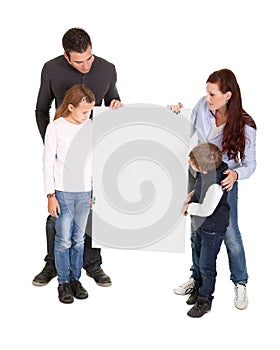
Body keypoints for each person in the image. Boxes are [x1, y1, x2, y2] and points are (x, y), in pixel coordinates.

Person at [34, 27, 122, 287]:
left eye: (89, 58)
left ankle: (92, 265)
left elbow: (112, 98)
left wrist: (115, 102)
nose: (86, 65)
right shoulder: (51, 69)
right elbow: (41, 109)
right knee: (58, 217)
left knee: (90, 212)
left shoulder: (107, 68)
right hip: (63, 157)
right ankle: (53, 264)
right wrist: (53, 145)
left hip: (92, 155)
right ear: (66, 56)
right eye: (78, 61)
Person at [169, 69, 256, 310]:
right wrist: (175, 116)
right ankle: (197, 278)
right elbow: (184, 132)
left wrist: (237, 174)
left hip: (222, 180)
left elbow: (250, 164)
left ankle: (240, 282)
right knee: (197, 228)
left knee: (230, 234)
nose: (207, 98)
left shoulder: (246, 125)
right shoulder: (202, 106)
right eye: (206, 93)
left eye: (212, 94)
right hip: (197, 173)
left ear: (228, 95)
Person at [44, 83, 95, 303]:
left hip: (85, 192)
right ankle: (63, 282)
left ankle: (76, 278)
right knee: (63, 240)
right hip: (63, 192)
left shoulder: (90, 127)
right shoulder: (56, 127)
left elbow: (93, 161)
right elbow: (47, 163)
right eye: (84, 111)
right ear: (71, 106)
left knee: (79, 239)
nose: (87, 115)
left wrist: (94, 190)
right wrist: (50, 195)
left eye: (90, 111)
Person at [182, 142, 230, 317]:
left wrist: (188, 208)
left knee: (206, 265)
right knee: (197, 257)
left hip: (213, 229)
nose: (188, 160)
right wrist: (191, 195)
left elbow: (205, 209)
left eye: (192, 160)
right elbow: (198, 189)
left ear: (202, 167)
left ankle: (205, 300)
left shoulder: (216, 185)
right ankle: (198, 287)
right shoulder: (205, 173)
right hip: (203, 226)